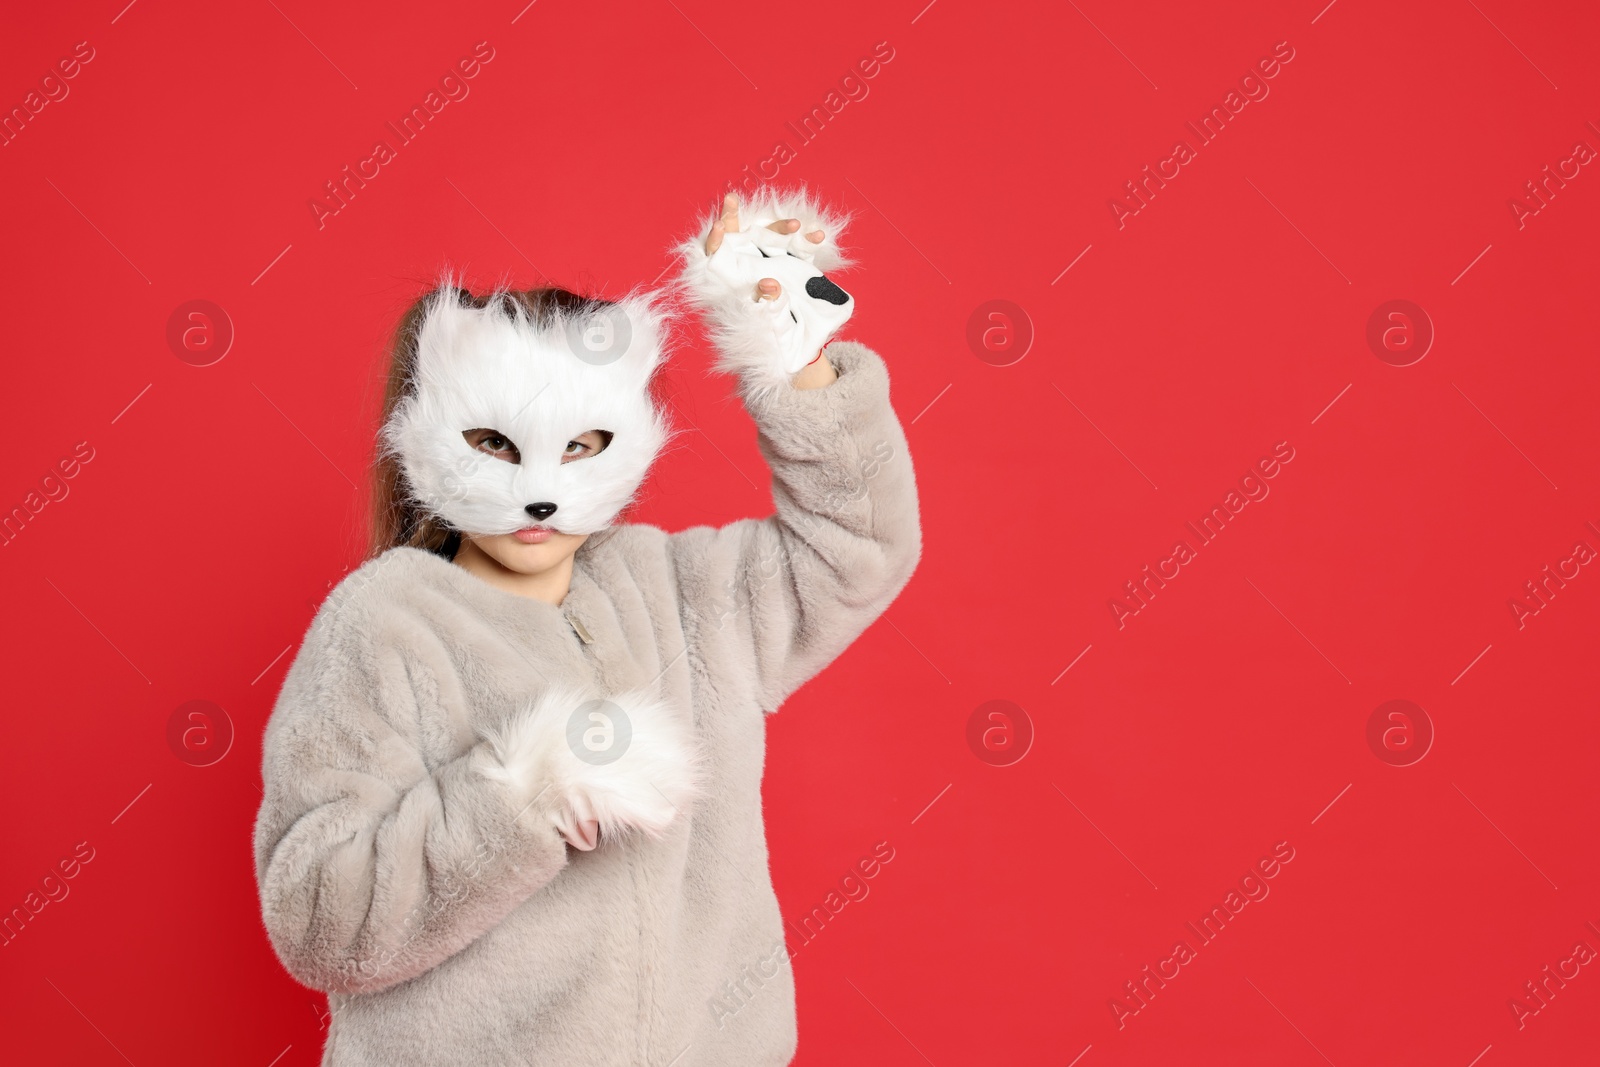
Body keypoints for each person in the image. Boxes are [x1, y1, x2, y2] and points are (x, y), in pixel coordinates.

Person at [252, 186, 922, 1065]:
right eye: (495, 443)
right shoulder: (383, 626)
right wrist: (524, 794)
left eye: (580, 446)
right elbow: (318, 922)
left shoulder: (683, 593)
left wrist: (791, 365)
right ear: (424, 433)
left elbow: (861, 548)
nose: (541, 490)